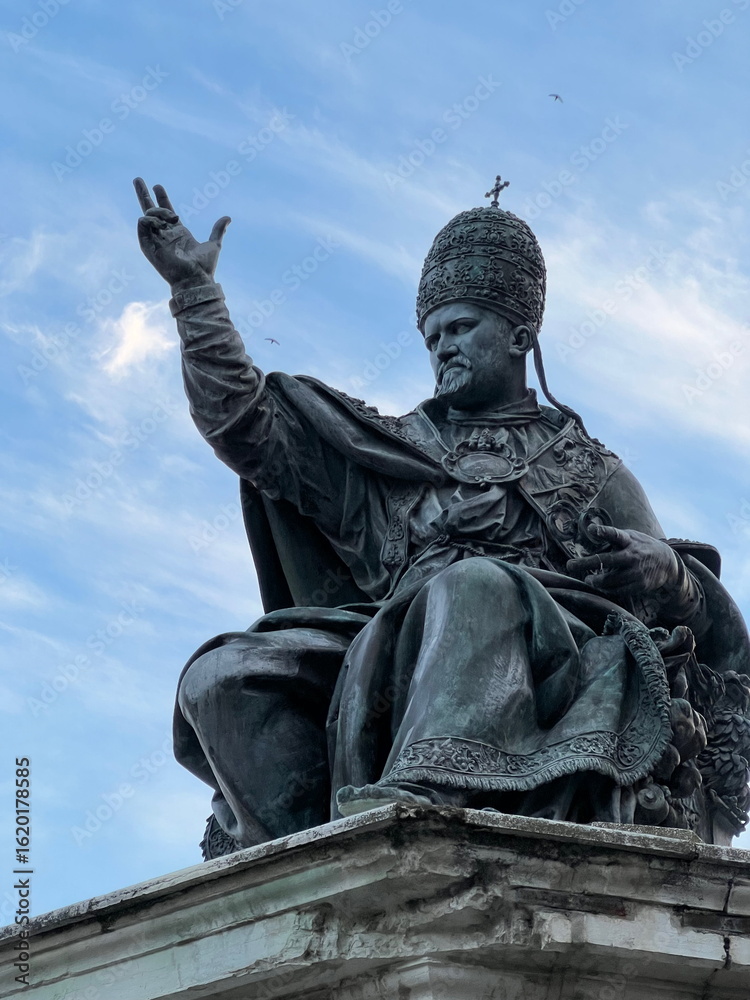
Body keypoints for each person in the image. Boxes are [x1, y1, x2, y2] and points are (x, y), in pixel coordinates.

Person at [133, 177, 750, 855]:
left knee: (474, 584)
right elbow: (245, 425)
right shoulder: (387, 455)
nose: (442, 348)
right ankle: (304, 866)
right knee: (225, 674)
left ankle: (422, 803)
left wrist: (671, 574)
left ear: (519, 336)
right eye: (431, 337)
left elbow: (701, 638)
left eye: (460, 328)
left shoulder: (592, 470)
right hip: (383, 645)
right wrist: (195, 295)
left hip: (546, 650)